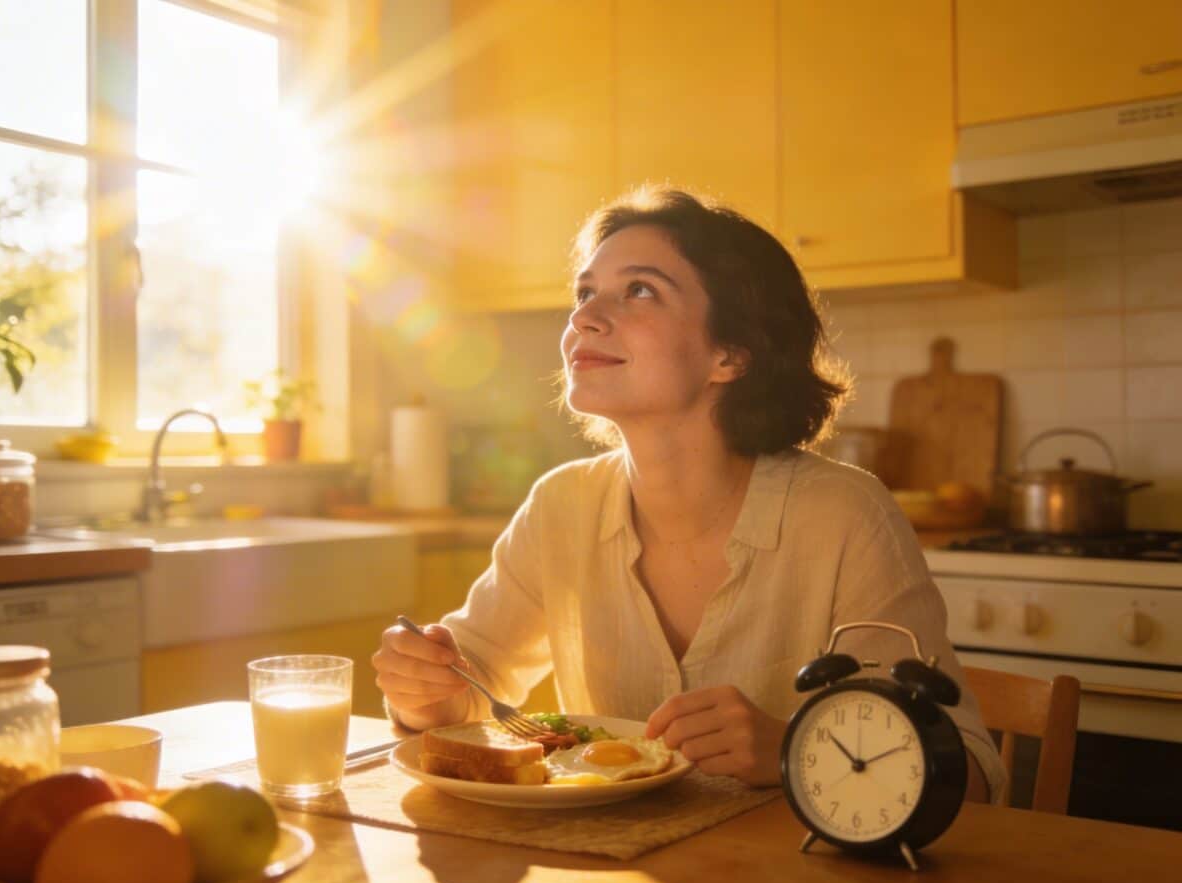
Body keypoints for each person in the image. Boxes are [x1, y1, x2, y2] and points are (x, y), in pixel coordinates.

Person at [372, 187, 1004, 798]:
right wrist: (424, 686)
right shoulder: (560, 504)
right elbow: (470, 682)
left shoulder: (845, 516)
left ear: (730, 354)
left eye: (639, 291)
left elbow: (970, 776)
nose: (582, 318)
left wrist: (795, 749)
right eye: (585, 292)